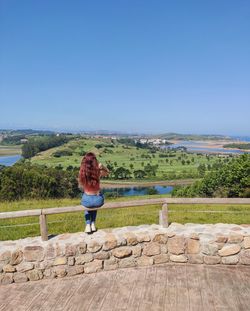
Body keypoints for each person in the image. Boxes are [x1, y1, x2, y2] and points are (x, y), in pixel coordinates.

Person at [78, 152, 109, 234]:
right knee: (94, 203)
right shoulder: (98, 172)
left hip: (87, 199)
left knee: (87, 205)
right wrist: (102, 167)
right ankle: (93, 223)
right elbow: (107, 172)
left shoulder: (83, 172)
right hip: (98, 199)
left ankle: (88, 224)